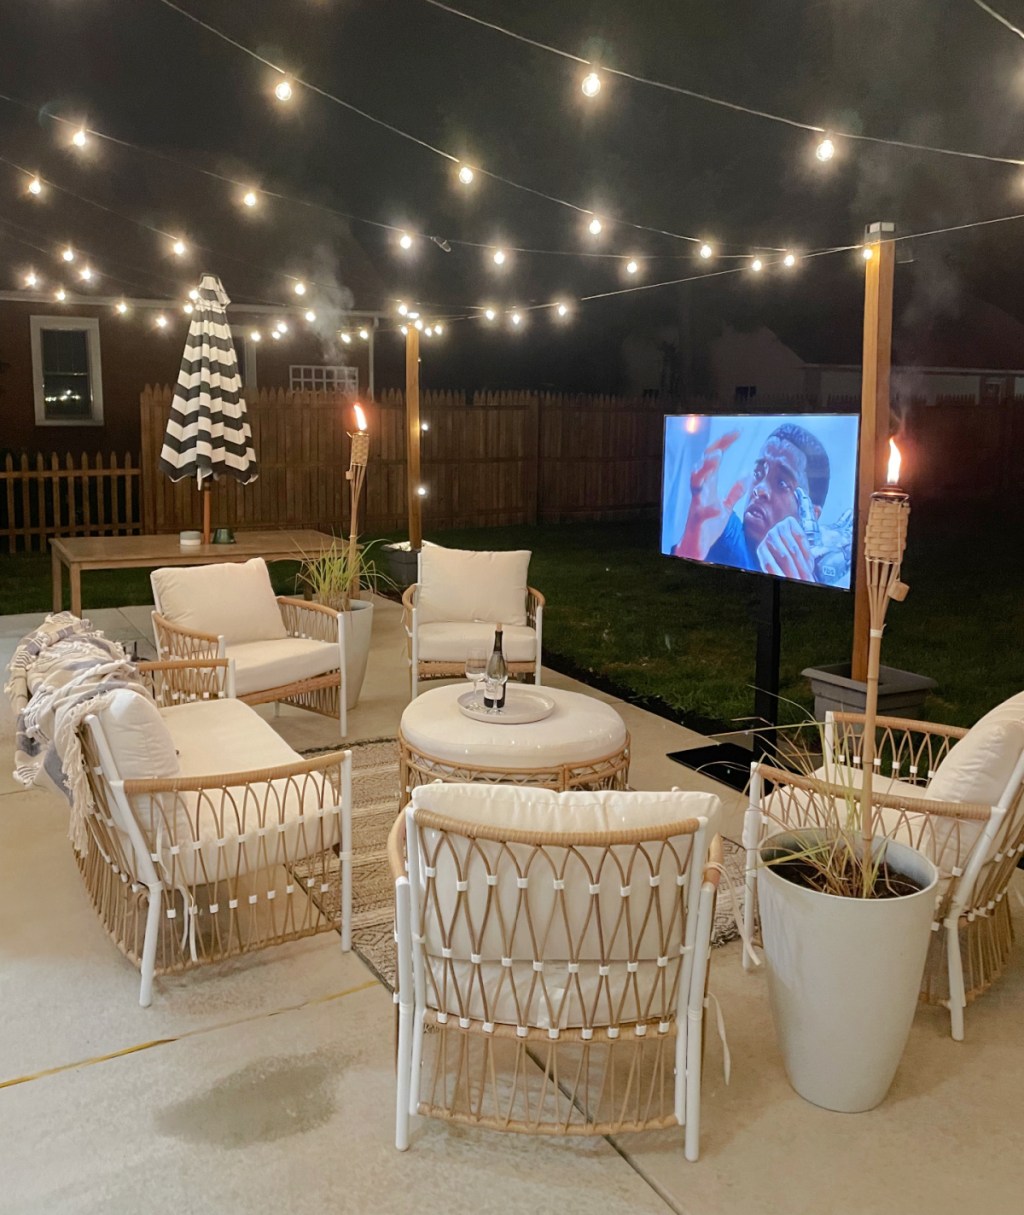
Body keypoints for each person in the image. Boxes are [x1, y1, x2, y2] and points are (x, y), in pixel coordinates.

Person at [674, 423, 831, 582]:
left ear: (810, 515)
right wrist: (687, 550)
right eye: (758, 472)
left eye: (782, 483)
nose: (760, 488)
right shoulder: (721, 530)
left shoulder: (816, 575)